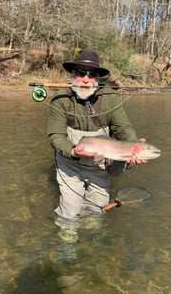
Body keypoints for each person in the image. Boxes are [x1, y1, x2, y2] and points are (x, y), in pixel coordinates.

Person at [47, 49, 146, 243]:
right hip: (69, 162)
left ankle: (93, 247)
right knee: (70, 209)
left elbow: (123, 128)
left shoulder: (110, 98)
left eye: (91, 74)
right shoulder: (60, 100)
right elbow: (55, 136)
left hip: (99, 163)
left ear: (98, 78)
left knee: (97, 209)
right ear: (73, 74)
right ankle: (67, 243)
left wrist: (133, 146)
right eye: (80, 73)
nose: (85, 79)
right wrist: (73, 151)